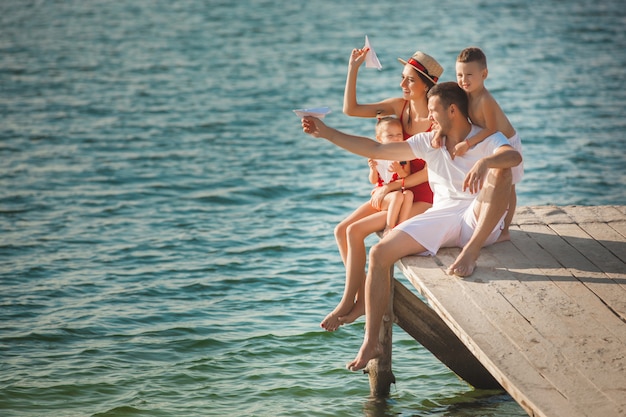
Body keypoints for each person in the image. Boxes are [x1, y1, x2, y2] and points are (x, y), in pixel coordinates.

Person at [301, 82, 522, 370]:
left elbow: (514, 157)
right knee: (379, 254)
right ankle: (371, 342)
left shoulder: (484, 139)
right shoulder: (428, 141)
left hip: (477, 217)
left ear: (452, 111)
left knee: (501, 173)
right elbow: (377, 148)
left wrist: (485, 163)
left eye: (433, 111)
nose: (428, 117)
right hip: (442, 215)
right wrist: (327, 133)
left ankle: (471, 252)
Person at [320, 48, 443, 332]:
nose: (402, 85)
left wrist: (393, 185)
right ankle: (361, 295)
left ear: (427, 84)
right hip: (392, 192)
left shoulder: (436, 122)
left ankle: (349, 302)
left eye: (410, 80)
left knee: (355, 232)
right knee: (341, 230)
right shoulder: (399, 107)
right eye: (402, 78)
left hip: (422, 197)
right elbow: (351, 110)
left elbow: (429, 172)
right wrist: (353, 68)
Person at [432, 47, 523, 240]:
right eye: (459, 74)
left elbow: (491, 129)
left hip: (506, 143)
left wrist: (467, 143)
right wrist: (440, 130)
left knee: (510, 187)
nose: (464, 80)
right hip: (486, 141)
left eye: (469, 75)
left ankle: (505, 230)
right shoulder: (465, 94)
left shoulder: (485, 100)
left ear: (484, 74)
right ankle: (490, 220)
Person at [368, 117, 414, 232]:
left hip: (396, 192)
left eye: (399, 134)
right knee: (397, 196)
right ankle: (389, 227)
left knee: (409, 194)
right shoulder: (376, 157)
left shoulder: (403, 156)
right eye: (390, 136)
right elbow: (373, 181)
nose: (396, 138)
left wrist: (399, 170)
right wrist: (373, 170)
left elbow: (406, 175)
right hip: (381, 196)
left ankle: (401, 226)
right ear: (379, 139)